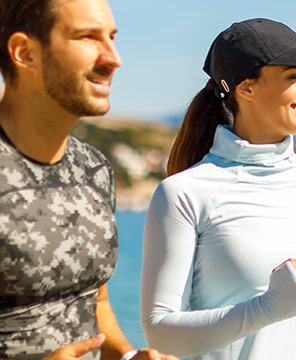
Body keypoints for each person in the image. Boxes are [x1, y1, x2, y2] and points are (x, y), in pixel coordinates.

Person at [139, 18, 296, 360]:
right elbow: (161, 334)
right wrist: (266, 308)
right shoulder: (183, 193)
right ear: (246, 87)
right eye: (293, 76)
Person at [0, 0, 174, 359]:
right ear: (25, 52)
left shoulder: (94, 168)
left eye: (111, 37)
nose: (114, 58)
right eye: (87, 37)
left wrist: (126, 355)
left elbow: (95, 301)